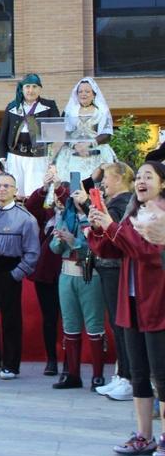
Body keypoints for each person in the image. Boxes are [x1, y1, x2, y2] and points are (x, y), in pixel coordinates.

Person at [87, 162, 165, 456]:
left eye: (149, 176)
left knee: (162, 373)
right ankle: (143, 435)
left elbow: (147, 251)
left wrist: (110, 225)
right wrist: (98, 230)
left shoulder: (161, 215)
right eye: (140, 177)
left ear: (162, 183)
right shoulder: (133, 212)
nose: (142, 181)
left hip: (157, 301)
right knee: (139, 373)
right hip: (130, 302)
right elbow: (112, 250)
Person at [0, 174, 40, 379]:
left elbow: (32, 253)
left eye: (7, 186)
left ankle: (11, 365)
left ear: (15, 190)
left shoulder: (26, 219)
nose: (2, 189)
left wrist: (16, 274)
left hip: (9, 269)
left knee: (11, 320)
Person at [50, 188, 106, 391]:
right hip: (67, 274)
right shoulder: (65, 217)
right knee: (70, 326)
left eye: (79, 196)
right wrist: (58, 240)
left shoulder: (97, 217)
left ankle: (97, 376)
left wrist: (73, 242)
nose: (75, 200)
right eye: (73, 197)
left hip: (90, 274)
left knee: (94, 326)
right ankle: (72, 374)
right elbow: (54, 249)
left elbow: (97, 247)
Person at [93, 162, 136, 401]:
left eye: (106, 178)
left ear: (119, 178)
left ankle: (129, 378)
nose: (103, 183)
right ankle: (122, 375)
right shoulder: (117, 202)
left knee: (122, 325)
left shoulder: (123, 203)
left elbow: (116, 236)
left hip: (116, 268)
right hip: (108, 267)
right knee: (117, 324)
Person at [26, 170, 68, 378]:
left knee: (70, 320)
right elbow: (31, 207)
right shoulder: (48, 214)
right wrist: (44, 188)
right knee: (49, 318)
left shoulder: (75, 214)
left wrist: (61, 190)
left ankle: (70, 361)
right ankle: (51, 359)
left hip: (70, 272)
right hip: (45, 273)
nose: (59, 200)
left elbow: (69, 202)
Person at [0, 74, 60, 199]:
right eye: (27, 87)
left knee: (35, 194)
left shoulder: (49, 106)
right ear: (22, 89)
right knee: (14, 194)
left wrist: (53, 160)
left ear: (40, 89)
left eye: (34, 86)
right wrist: (2, 158)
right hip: (14, 157)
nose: (31, 90)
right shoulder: (12, 106)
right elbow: (3, 135)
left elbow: (56, 136)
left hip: (38, 158)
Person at [54, 77, 116, 179]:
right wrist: (75, 146)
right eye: (80, 91)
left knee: (96, 183)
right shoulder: (69, 111)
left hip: (97, 151)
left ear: (94, 94)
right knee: (73, 183)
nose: (83, 94)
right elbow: (63, 131)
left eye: (87, 91)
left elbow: (107, 134)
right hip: (73, 152)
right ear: (76, 94)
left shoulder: (101, 111)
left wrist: (89, 144)